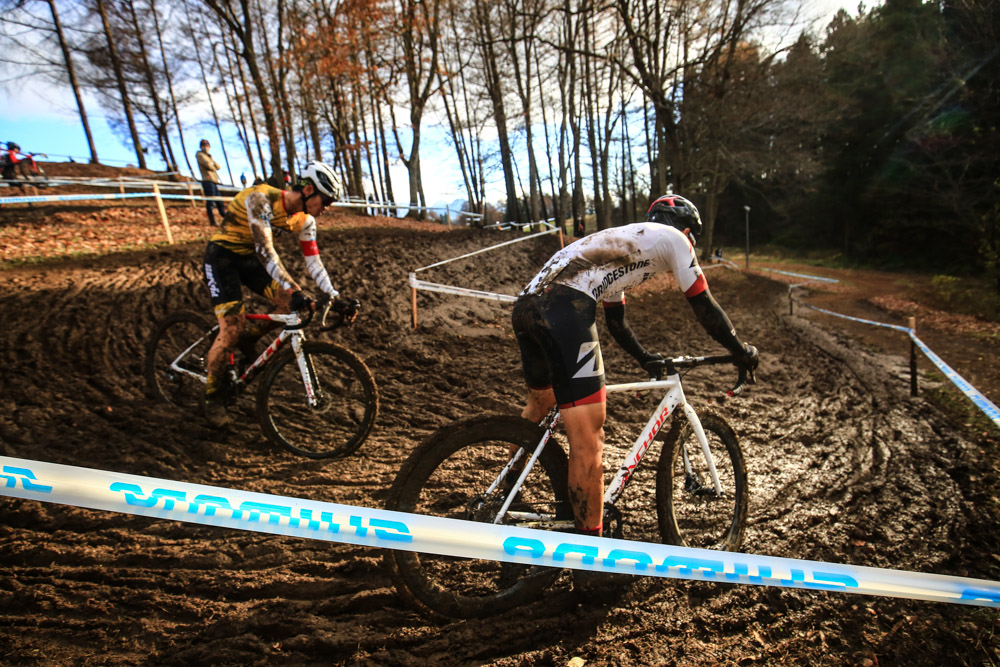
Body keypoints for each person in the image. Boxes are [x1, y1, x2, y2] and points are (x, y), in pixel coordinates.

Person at [511, 193, 758, 541]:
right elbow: (704, 305)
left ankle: (508, 488)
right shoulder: (675, 240)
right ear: (688, 231)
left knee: (541, 403)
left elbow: (617, 323)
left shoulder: (625, 241)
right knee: (588, 439)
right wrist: (741, 350)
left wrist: (645, 358)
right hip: (565, 307)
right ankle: (589, 557)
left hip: (526, 305)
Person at [201, 160, 356, 428]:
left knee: (289, 306)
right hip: (222, 258)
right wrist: (296, 289)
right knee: (230, 330)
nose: (326, 209)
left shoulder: (305, 220)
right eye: (326, 201)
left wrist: (334, 295)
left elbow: (313, 262)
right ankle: (213, 399)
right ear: (308, 192)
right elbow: (266, 250)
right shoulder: (261, 198)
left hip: (248, 260)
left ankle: (247, 338)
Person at [196, 139, 228, 226]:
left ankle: (225, 217)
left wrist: (212, 160)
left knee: (219, 201)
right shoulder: (200, 155)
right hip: (207, 181)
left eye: (207, 145)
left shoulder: (209, 156)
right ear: (201, 146)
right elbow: (209, 166)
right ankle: (212, 221)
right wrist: (211, 164)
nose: (206, 147)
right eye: (204, 145)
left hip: (214, 181)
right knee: (210, 201)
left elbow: (218, 166)